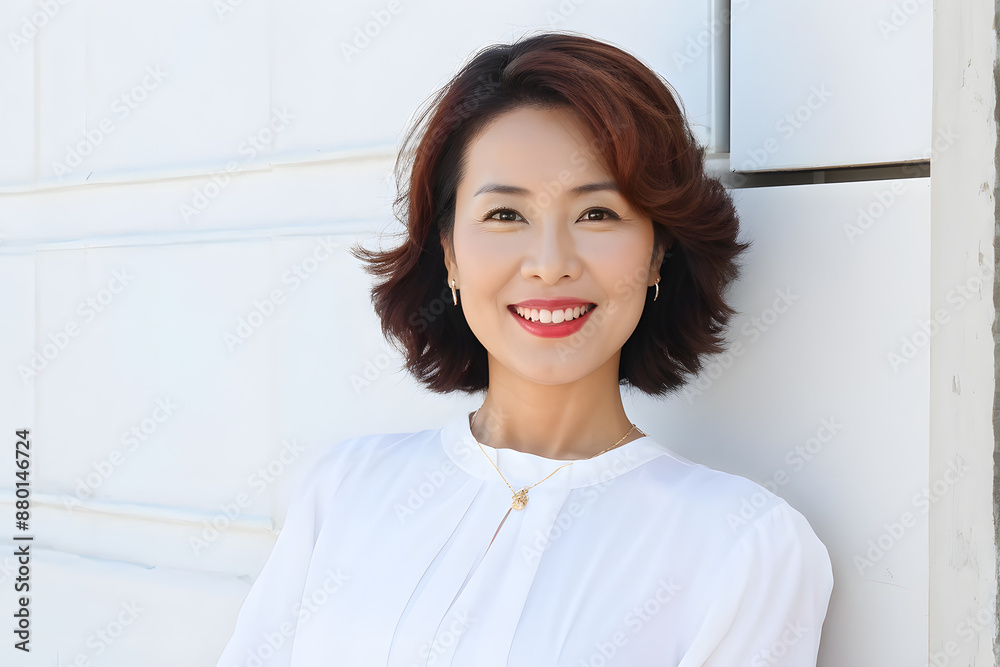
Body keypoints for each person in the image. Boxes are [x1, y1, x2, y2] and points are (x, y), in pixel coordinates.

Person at [215, 31, 833, 667]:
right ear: (450, 253)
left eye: (597, 214)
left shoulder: (743, 544)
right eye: (506, 216)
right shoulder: (345, 488)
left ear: (657, 254)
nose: (549, 265)